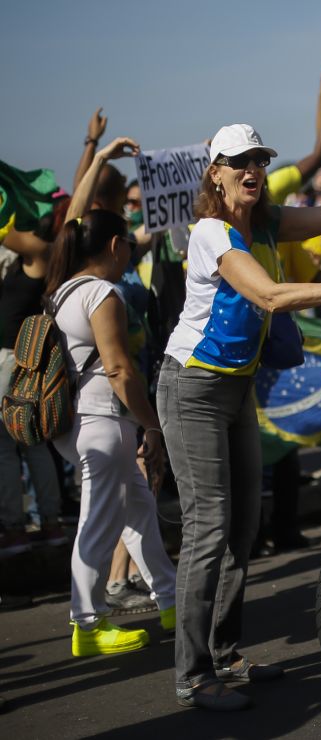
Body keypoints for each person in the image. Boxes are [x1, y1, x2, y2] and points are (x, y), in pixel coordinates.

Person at [156, 123, 321, 711]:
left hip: (234, 391)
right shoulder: (211, 232)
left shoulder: (270, 220)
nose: (251, 168)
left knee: (242, 530)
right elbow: (270, 297)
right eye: (239, 161)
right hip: (192, 390)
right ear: (217, 173)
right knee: (208, 530)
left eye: (258, 159)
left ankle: (225, 656)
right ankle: (193, 675)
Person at [45, 136, 178, 658]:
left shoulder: (63, 287)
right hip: (102, 421)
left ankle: (169, 600)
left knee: (138, 512)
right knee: (99, 523)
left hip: (79, 421)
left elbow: (75, 216)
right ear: (117, 246)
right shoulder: (102, 293)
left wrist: (98, 156)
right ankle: (85, 624)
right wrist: (152, 425)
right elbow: (121, 371)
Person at [0, 196, 69, 555]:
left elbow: (5, 231)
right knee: (33, 444)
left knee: (6, 447)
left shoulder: (39, 253)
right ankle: (51, 522)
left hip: (12, 360)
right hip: (26, 359)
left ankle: (14, 528)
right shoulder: (47, 254)